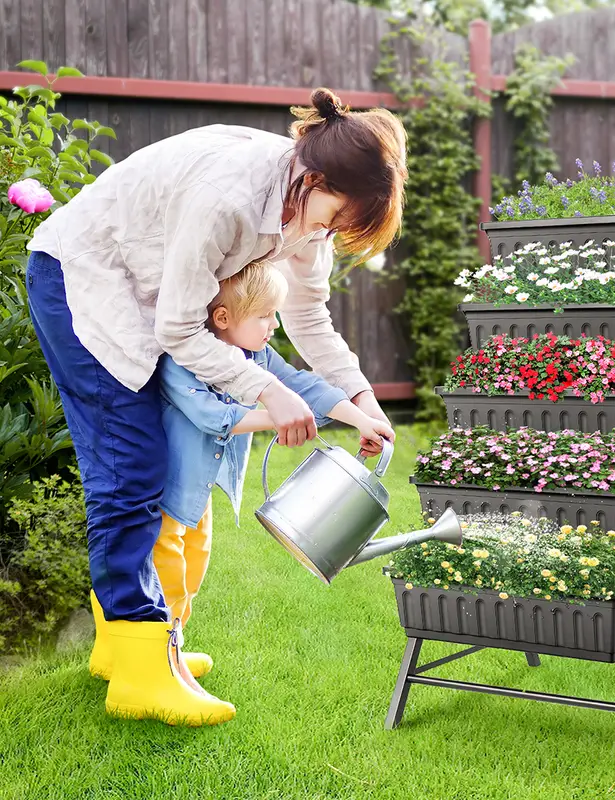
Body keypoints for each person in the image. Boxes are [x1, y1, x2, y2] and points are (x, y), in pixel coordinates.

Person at [25, 88, 407, 725]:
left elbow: (308, 314)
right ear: (314, 177)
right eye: (338, 216)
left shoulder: (305, 211)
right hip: (82, 282)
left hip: (145, 295)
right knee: (132, 469)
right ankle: (142, 669)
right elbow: (180, 328)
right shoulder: (231, 196)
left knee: (142, 469)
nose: (332, 233)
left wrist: (361, 398)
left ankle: (124, 649)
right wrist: (271, 390)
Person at [88, 259, 393, 723]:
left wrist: (360, 418)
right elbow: (214, 418)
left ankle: (152, 649)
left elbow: (300, 385)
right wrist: (281, 416)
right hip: (164, 488)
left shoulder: (258, 360)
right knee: (166, 573)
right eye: (265, 316)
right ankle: (152, 663)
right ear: (223, 319)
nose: (273, 326)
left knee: (193, 570)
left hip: (199, 490)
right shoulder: (180, 359)